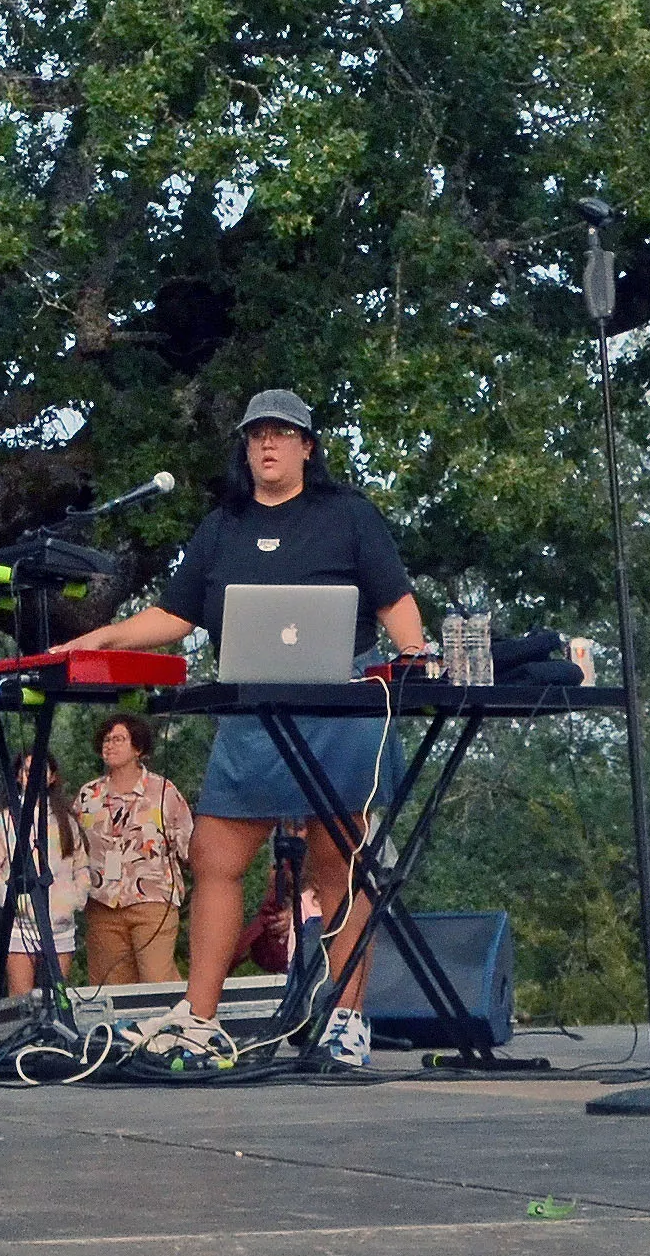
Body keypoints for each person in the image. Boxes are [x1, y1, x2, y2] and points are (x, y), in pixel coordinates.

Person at [61, 391, 435, 1069]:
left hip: (338, 708)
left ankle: (347, 1020)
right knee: (215, 856)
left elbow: (395, 603)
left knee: (336, 865)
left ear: (307, 447)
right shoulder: (222, 525)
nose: (268, 445)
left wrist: (417, 663)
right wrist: (103, 637)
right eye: (257, 435)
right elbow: (175, 616)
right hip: (252, 711)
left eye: (283, 434)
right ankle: (200, 1017)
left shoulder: (349, 515)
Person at [72, 713, 198, 985]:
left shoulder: (163, 791)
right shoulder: (88, 794)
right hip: (102, 902)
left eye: (118, 739)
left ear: (137, 748)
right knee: (109, 989)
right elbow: (71, 847)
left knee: (156, 981)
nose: (110, 745)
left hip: (152, 901)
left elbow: (189, 844)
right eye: (106, 740)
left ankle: (176, 1024)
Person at [0, 749, 91, 997]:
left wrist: (74, 899)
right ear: (18, 776)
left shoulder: (66, 822)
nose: (34, 776)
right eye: (28, 771)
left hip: (60, 926)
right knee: (21, 1001)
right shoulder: (2, 822)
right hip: (19, 927)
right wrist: (14, 901)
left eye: (40, 771)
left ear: (51, 777)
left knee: (58, 999)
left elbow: (81, 867)